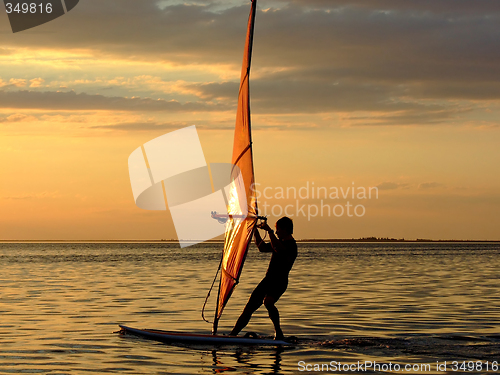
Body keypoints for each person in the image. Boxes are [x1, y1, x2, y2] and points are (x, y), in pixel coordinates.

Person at [230, 216, 297, 340]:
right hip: (268, 280)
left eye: (278, 230)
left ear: (285, 229)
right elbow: (262, 248)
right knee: (249, 308)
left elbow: (278, 248)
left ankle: (279, 332)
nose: (276, 232)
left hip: (279, 282)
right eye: (275, 230)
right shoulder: (278, 242)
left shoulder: (291, 245)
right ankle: (233, 334)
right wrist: (254, 230)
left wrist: (269, 231)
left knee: (268, 302)